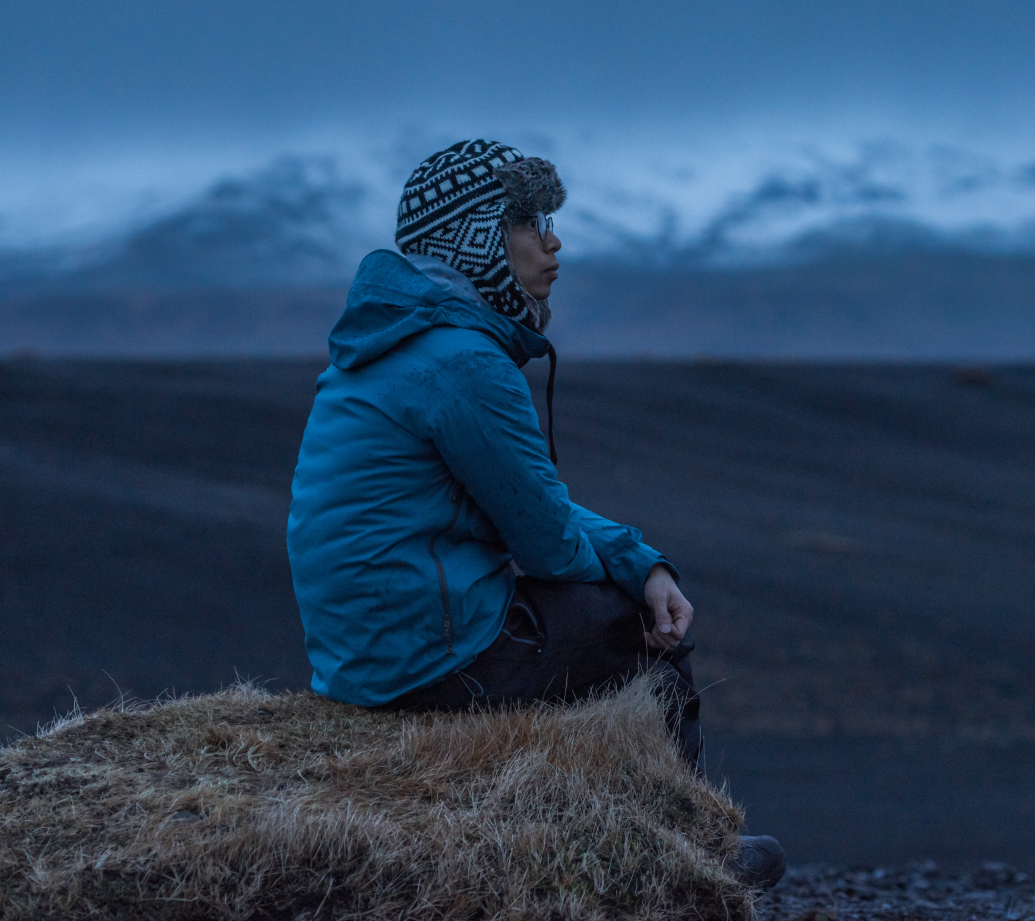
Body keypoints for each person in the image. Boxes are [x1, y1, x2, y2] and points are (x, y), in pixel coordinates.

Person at [285, 138, 784, 889]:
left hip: (365, 653)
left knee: (611, 589)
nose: (554, 245)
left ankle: (619, 825)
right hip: (424, 658)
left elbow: (530, 507)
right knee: (629, 627)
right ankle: (691, 852)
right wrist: (635, 579)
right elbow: (549, 543)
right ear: (478, 238)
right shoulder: (462, 362)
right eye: (529, 224)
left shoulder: (397, 344)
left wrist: (637, 556)